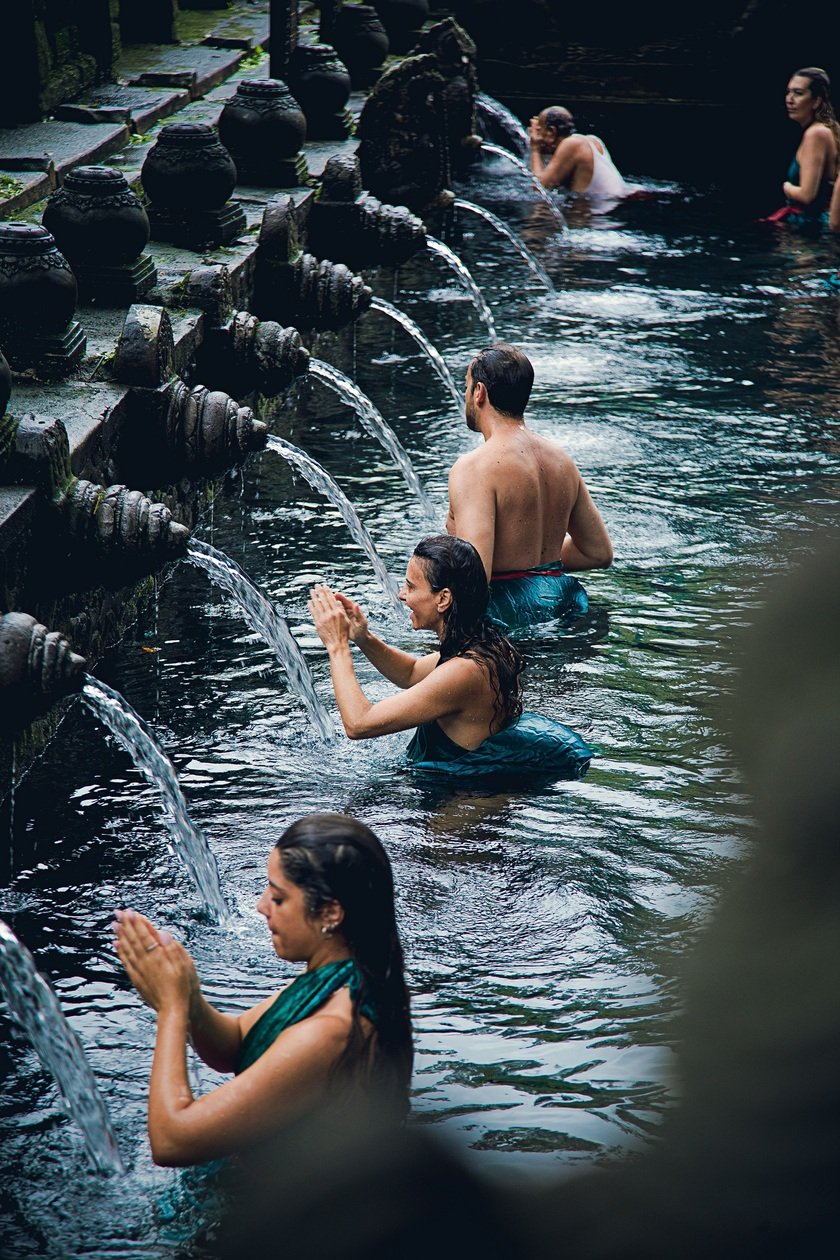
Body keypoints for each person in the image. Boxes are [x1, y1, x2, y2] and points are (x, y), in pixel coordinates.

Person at [113, 813, 412, 1166]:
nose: (260, 906)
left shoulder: (333, 1031)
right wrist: (190, 995)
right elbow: (236, 1043)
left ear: (330, 913)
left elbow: (172, 1142)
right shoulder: (344, 974)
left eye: (279, 897)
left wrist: (172, 1008)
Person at [308, 533, 593, 777]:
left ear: (443, 599)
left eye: (411, 586)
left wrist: (337, 646)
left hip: (459, 807)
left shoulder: (465, 671)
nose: (401, 595)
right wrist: (362, 637)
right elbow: (410, 673)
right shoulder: (482, 646)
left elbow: (359, 724)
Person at [445, 344, 613, 631]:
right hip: (563, 610)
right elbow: (597, 552)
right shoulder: (561, 461)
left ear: (479, 393)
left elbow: (475, 581)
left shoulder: (475, 468)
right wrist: (535, 566)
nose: (465, 395)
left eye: (466, 386)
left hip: (505, 619)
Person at [769, 67, 839, 225]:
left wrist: (785, 187)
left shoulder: (815, 135)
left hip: (810, 229)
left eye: (798, 93)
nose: (789, 99)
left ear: (816, 101)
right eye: (788, 92)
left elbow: (807, 195)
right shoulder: (829, 128)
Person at [528, 105, 628, 199]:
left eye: (539, 130)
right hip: (611, 207)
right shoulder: (593, 140)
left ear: (551, 131)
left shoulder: (572, 144)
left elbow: (539, 189)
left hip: (597, 209)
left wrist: (535, 149)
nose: (535, 136)